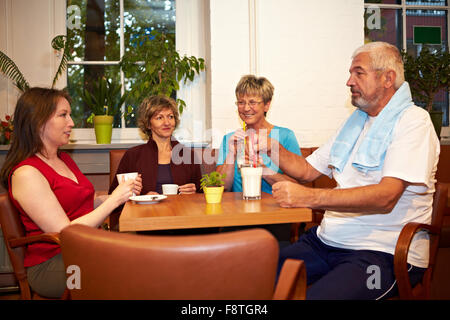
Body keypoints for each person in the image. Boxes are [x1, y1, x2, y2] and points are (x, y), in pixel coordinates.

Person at [257, 42, 440, 299]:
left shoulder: (414, 122)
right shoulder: (355, 122)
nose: (348, 81)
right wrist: (270, 147)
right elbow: (307, 170)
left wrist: (309, 197)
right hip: (325, 242)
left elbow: (386, 197)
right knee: (250, 275)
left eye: (358, 73)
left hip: (382, 253)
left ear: (388, 78)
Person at [0, 87, 141, 298]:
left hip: (85, 249)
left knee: (143, 252)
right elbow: (65, 232)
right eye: (63, 115)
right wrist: (114, 201)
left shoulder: (63, 159)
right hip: (55, 266)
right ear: (39, 121)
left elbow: (82, 204)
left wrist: (112, 197)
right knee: (135, 268)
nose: (72, 123)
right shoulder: (26, 173)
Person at [216, 75, 301, 243]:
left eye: (253, 102)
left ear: (267, 105)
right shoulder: (230, 138)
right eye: (241, 102)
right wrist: (231, 154)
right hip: (236, 215)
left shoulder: (284, 136)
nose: (246, 108)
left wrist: (264, 171)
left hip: (275, 215)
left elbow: (296, 186)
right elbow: (221, 186)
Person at [109, 95, 202, 196]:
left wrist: (194, 192)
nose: (167, 123)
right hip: (145, 211)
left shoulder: (189, 155)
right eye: (159, 118)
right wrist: (143, 198)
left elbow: (202, 196)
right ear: (148, 124)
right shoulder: (132, 156)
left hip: (180, 211)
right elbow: (114, 199)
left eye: (170, 117)